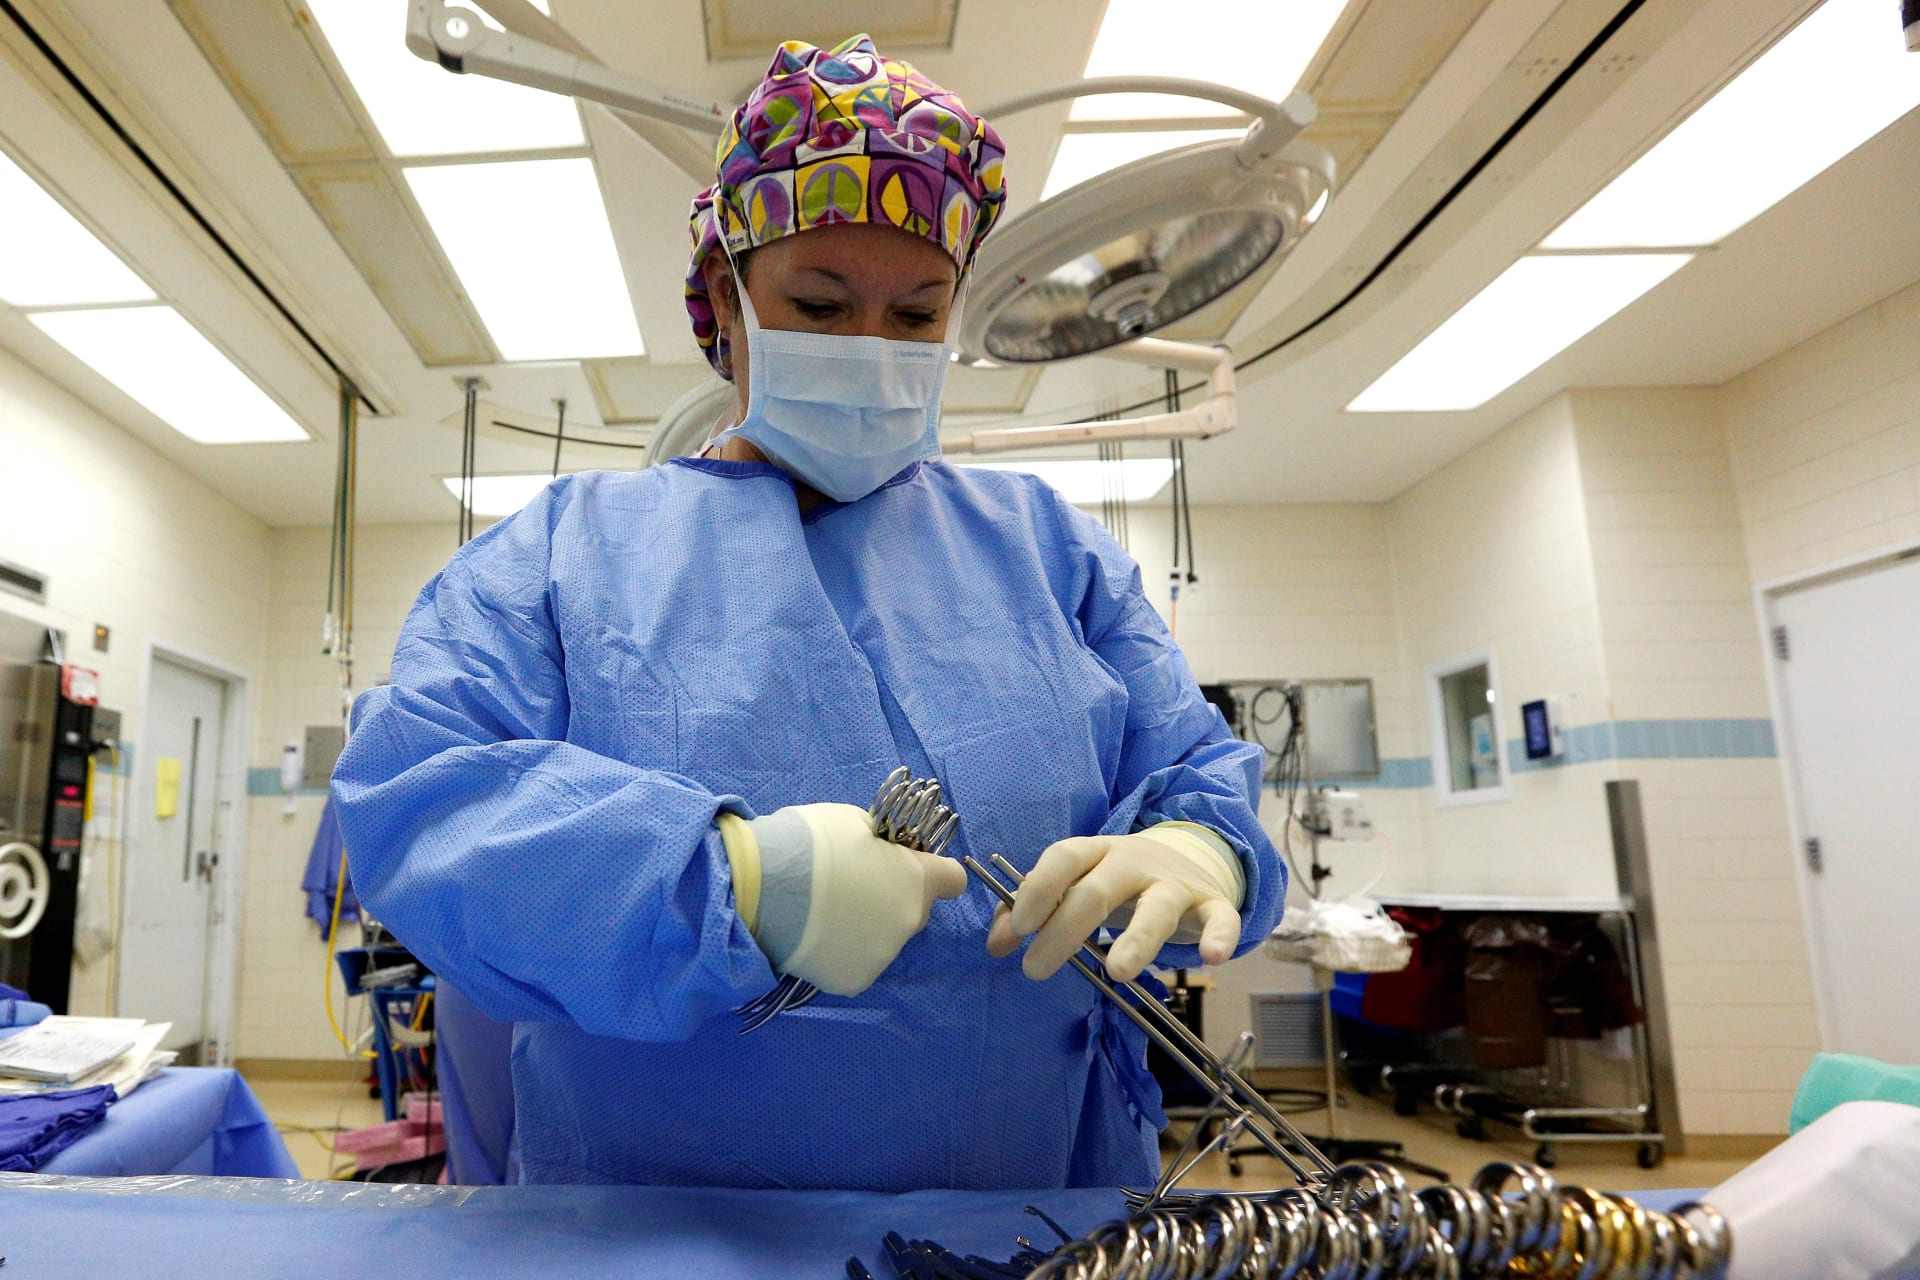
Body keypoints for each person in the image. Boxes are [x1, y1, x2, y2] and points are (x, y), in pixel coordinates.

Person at [331, 34, 1284, 1191]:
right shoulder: (557, 557)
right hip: (659, 1225)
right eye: (821, 305)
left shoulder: (1052, 551)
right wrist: (727, 879)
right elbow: (417, 800)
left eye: (918, 314)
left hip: (1035, 1208)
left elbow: (1191, 762)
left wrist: (1200, 845)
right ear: (723, 303)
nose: (873, 353)